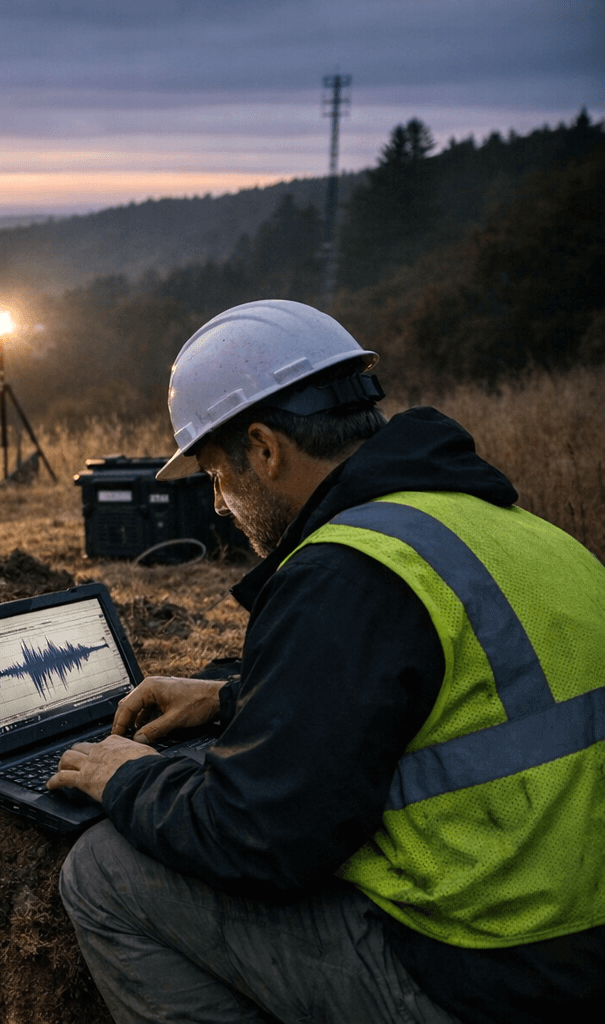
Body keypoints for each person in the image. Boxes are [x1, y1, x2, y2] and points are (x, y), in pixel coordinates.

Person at [50, 299, 605, 1023]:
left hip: (483, 976)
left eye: (217, 476)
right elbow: (429, 682)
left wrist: (129, 777)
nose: (219, 506)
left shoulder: (344, 571)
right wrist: (228, 697)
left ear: (266, 448)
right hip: (575, 948)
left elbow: (261, 843)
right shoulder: (505, 528)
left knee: (102, 874)